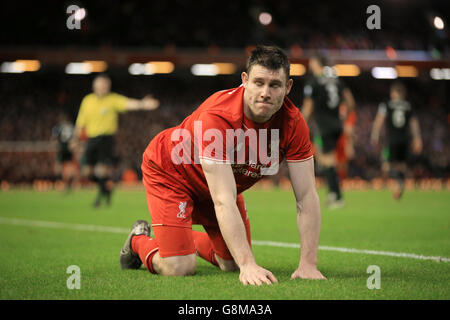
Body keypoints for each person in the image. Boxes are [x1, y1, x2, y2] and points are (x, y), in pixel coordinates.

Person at [119, 45, 326, 286]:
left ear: (288, 87)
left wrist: (308, 264)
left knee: (231, 263)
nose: (265, 92)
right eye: (258, 83)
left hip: (218, 183)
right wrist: (248, 264)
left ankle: (180, 240)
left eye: (275, 85)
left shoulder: (294, 123)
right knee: (179, 267)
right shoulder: (219, 115)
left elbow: (307, 197)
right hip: (172, 171)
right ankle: (138, 241)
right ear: (245, 80)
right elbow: (223, 200)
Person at [71, 73, 159, 207]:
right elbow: (80, 123)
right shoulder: (87, 101)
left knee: (101, 169)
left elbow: (128, 103)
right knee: (87, 171)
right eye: (100, 85)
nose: (103, 87)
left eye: (106, 85)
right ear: (94, 86)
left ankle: (100, 198)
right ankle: (106, 188)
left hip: (106, 139)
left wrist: (143, 104)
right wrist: (75, 139)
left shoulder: (112, 99)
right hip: (92, 139)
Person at [301, 54, 355, 209]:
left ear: (316, 62)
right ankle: (332, 192)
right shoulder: (336, 80)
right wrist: (343, 116)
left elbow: (308, 107)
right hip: (337, 123)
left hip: (323, 125)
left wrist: (301, 124)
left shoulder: (314, 82)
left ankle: (337, 196)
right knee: (326, 157)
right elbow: (350, 102)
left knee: (327, 159)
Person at [370, 81, 422, 199]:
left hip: (391, 140)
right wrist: (418, 138)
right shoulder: (408, 106)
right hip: (404, 140)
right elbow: (414, 124)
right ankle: (400, 186)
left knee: (386, 165)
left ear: (393, 93)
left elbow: (379, 121)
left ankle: (397, 182)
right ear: (404, 94)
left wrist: (375, 135)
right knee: (402, 165)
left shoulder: (386, 105)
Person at [52, 112, 77, 193]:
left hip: (62, 147)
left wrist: (55, 147)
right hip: (69, 148)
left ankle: (62, 183)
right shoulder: (71, 127)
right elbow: (74, 138)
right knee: (70, 166)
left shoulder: (58, 127)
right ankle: (70, 183)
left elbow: (54, 138)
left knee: (60, 165)